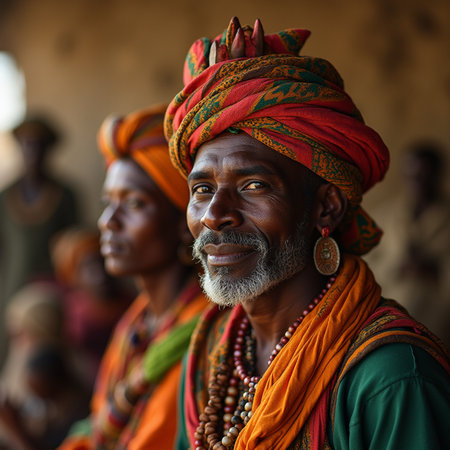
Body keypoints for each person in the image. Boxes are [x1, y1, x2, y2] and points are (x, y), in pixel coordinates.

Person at [164, 17, 450, 449]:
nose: (214, 215)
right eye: (202, 189)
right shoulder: (210, 352)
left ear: (326, 207)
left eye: (253, 185)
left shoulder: (390, 379)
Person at [60, 105, 207, 450]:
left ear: (183, 224)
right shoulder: (136, 324)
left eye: (135, 204)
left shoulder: (205, 335)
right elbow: (97, 427)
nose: (107, 222)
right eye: (108, 202)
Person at [0, 115, 79, 363]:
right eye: (27, 144)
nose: (32, 152)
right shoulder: (6, 195)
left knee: (46, 357)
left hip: (51, 291)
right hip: (13, 286)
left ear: (48, 150)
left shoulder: (65, 195)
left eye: (39, 145)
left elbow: (73, 249)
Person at [367, 141, 450, 346]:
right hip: (389, 321)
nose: (417, 182)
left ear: (438, 176)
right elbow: (364, 265)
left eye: (423, 176)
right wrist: (398, 265)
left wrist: (435, 269)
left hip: (440, 324)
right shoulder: (385, 216)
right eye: (411, 176)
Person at [51, 226, 133, 387]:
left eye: (102, 261)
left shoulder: (132, 307)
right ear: (72, 274)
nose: (100, 274)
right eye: (88, 267)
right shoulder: (70, 314)